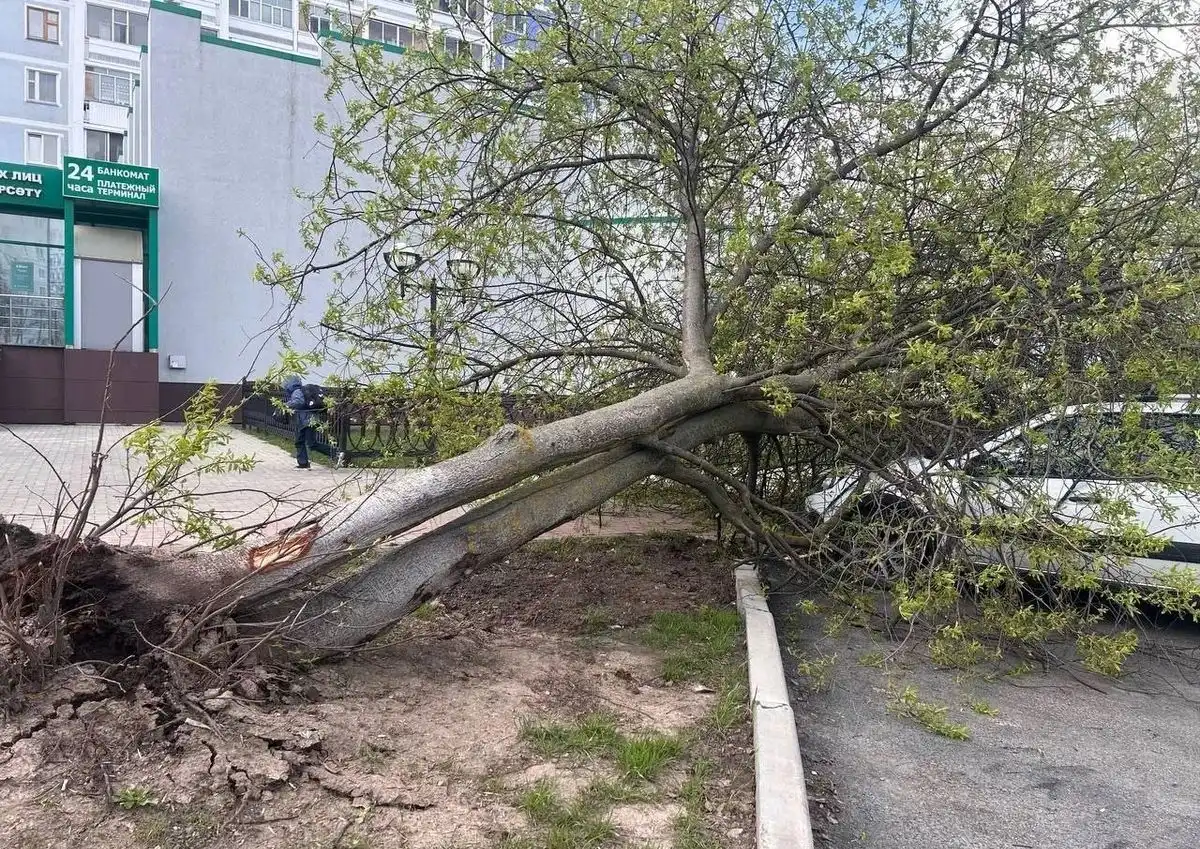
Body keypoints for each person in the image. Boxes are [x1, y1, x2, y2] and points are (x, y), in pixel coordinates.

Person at [283, 375, 317, 469]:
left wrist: (287, 405)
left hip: (307, 420)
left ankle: (336, 454)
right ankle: (303, 463)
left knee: (312, 443)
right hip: (304, 420)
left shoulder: (296, 392)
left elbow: (299, 402)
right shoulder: (299, 391)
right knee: (299, 441)